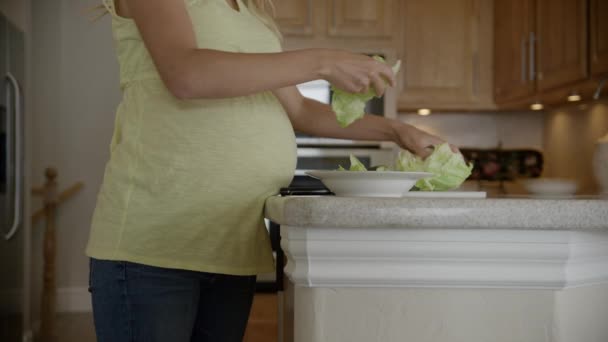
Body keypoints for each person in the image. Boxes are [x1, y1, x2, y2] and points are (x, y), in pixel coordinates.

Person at [86, 0, 455, 341]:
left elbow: (301, 111)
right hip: (156, 241)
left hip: (231, 240)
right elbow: (187, 74)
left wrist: (398, 131)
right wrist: (321, 61)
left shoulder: (248, 9)